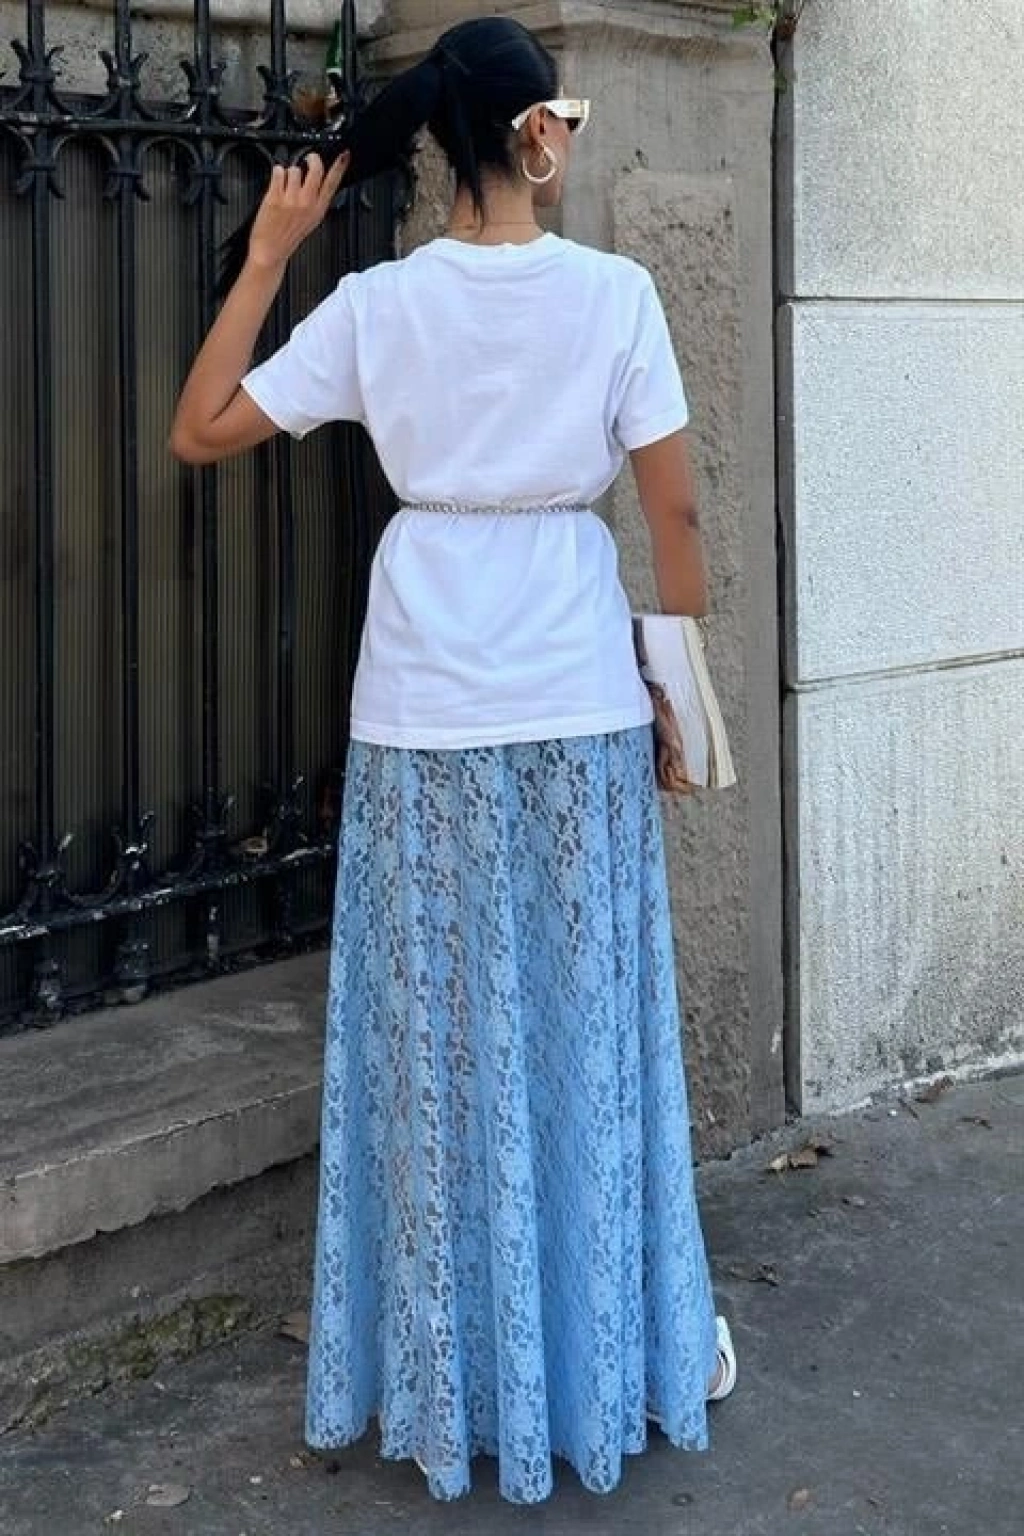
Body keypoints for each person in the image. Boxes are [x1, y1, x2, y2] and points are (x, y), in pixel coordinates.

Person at [170, 14, 736, 1506]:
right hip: (574, 698)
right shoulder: (615, 297)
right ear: (539, 133)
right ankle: (605, 1351)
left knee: (438, 1045)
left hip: (421, 710)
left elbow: (201, 427)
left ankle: (455, 1366)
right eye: (570, 121)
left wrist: (269, 258)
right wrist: (680, 694)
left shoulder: (378, 305)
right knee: (584, 1027)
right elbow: (675, 520)